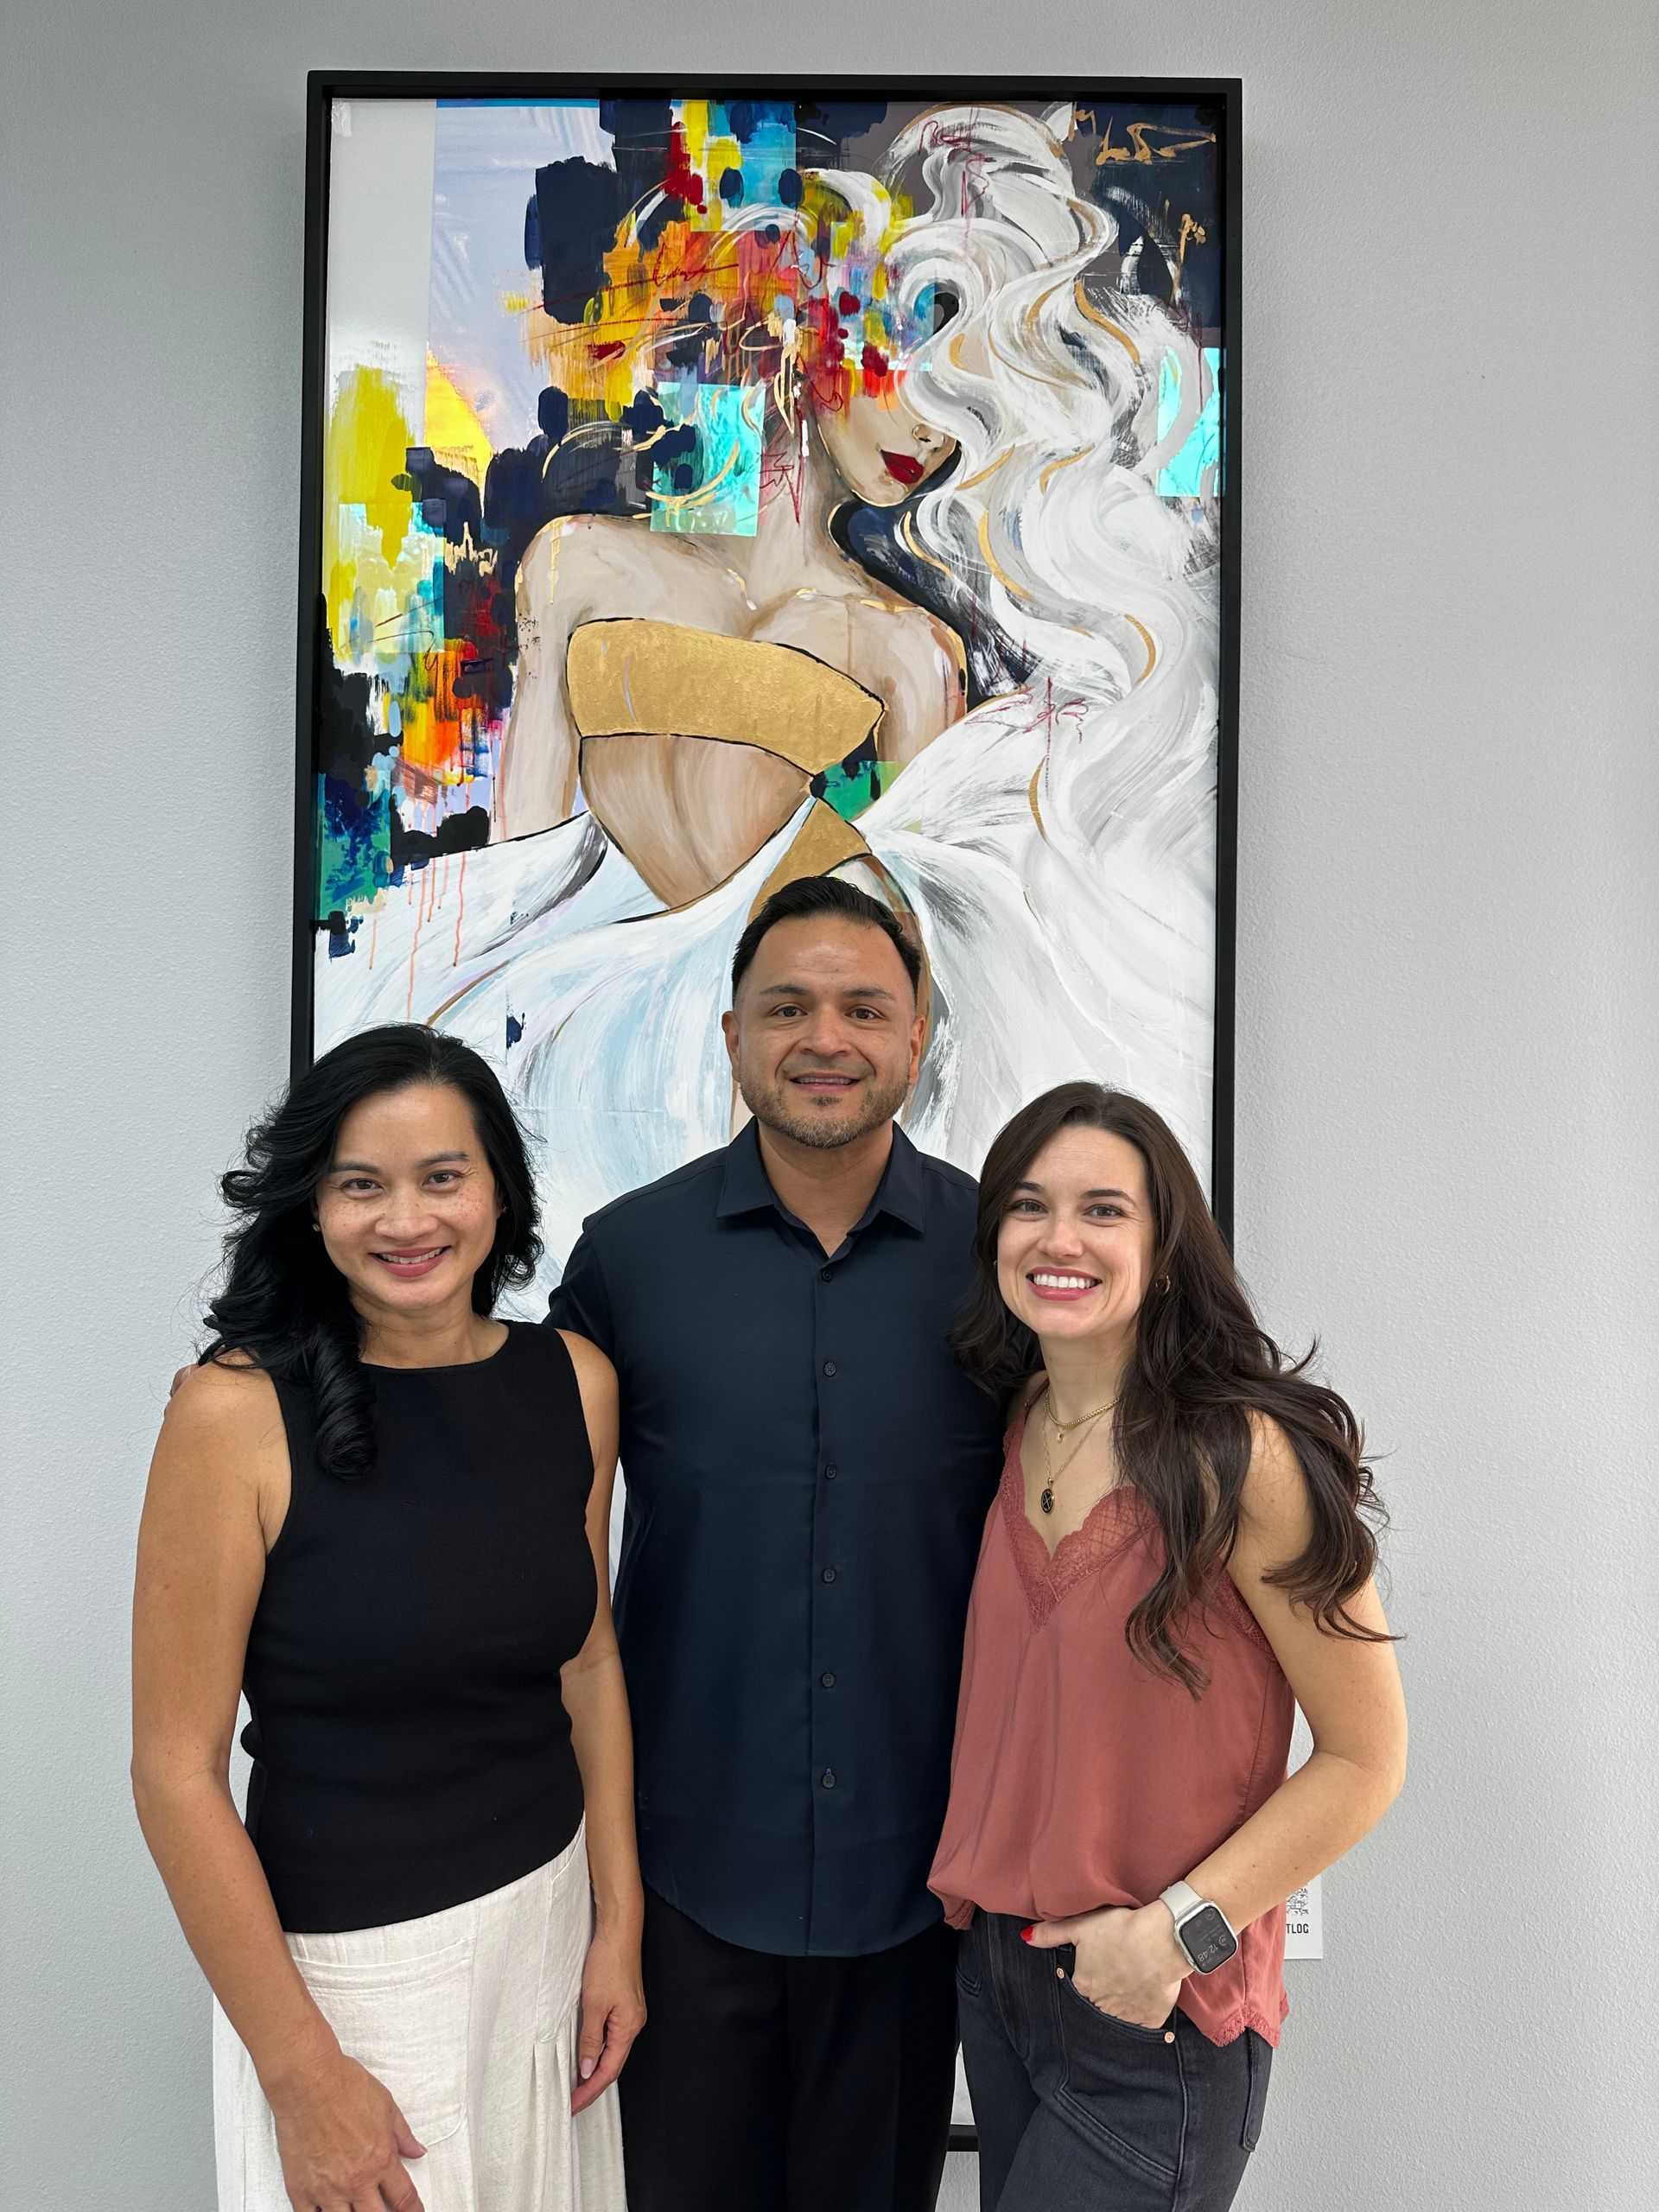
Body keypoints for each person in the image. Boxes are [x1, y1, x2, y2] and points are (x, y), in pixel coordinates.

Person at [545, 874, 1007, 2212]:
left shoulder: (1005, 1261)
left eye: (866, 1007)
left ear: (918, 1037)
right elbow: (504, 1477)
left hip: (926, 1892)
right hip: (680, 1884)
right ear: (732, 1033)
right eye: (789, 1005)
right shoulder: (625, 1259)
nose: (827, 1037)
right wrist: (270, 1374)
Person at [132, 1026, 642, 2212]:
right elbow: (174, 1774)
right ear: (313, 1206)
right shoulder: (232, 1413)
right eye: (362, 1184)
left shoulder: (575, 1381)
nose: (405, 1220)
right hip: (354, 1986)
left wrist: (616, 1927)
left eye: (442, 1177)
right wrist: (301, 2073)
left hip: (550, 1935)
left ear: (500, 1191)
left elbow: (589, 1658)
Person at [929, 1083, 1408, 2211]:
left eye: (1104, 1209)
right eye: (1030, 1206)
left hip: (1158, 2014)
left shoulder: (1247, 1457)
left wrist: (1179, 1934)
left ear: (1166, 1246)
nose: (1060, 1239)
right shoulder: (1019, 1423)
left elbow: (1365, 1757)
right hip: (1002, 1985)